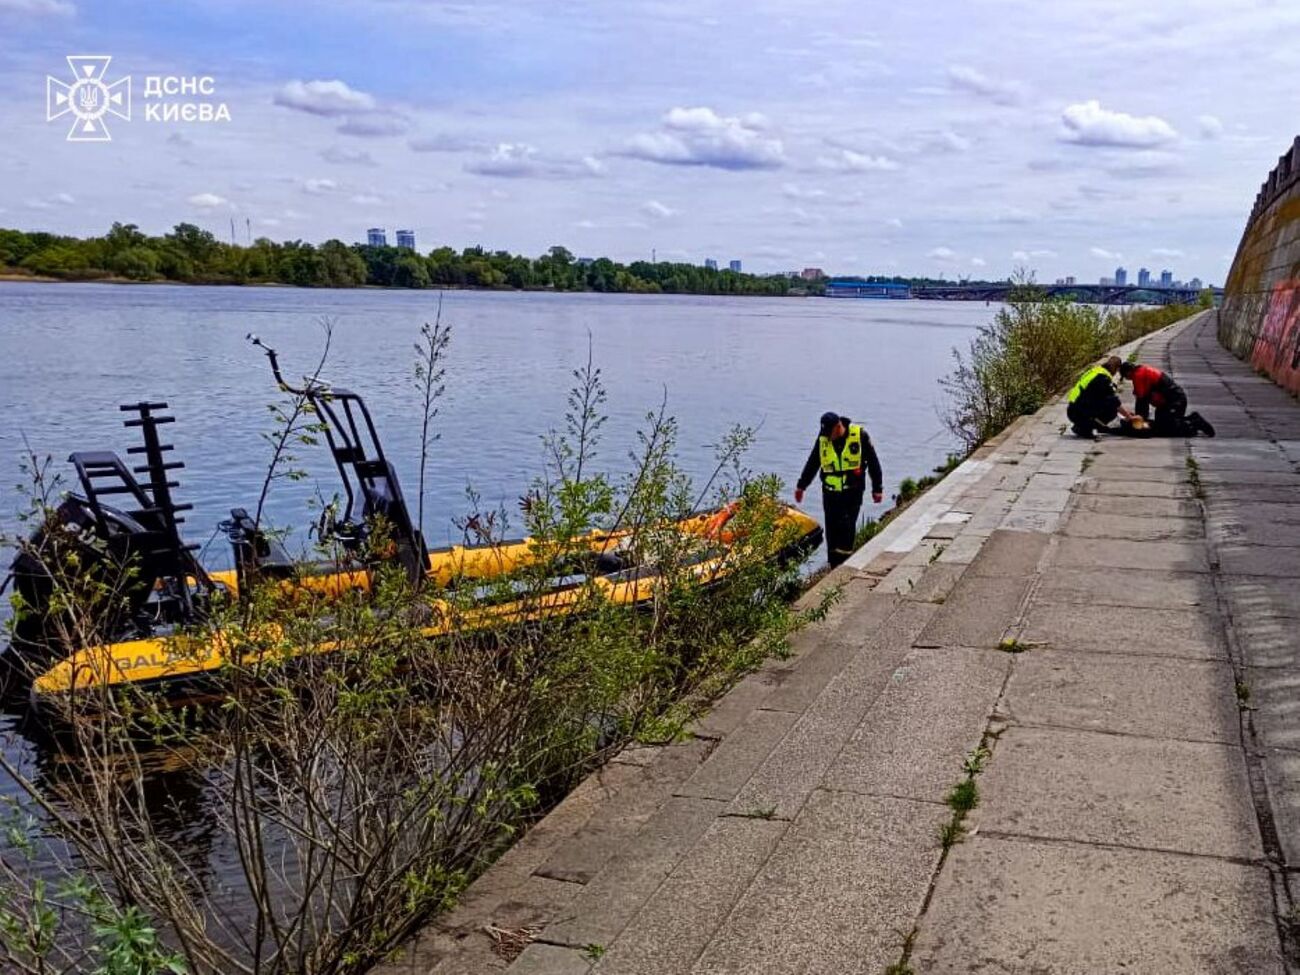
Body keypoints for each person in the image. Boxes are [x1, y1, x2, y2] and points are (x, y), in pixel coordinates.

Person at [794, 412, 884, 567]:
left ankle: (843, 564)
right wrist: (801, 486)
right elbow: (813, 462)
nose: (828, 437)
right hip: (830, 494)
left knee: (847, 528)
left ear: (838, 426)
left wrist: (877, 488)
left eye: (830, 433)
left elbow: (874, 463)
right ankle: (833, 564)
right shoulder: (823, 439)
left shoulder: (859, 435)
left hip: (852, 492)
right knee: (832, 531)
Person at [1118, 361, 1215, 437]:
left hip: (1175, 401)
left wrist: (1140, 418)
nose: (1127, 379)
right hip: (1168, 402)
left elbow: (1142, 401)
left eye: (1126, 376)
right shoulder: (1142, 371)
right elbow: (1143, 399)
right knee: (1159, 426)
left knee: (1167, 430)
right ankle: (1189, 421)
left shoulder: (1138, 376)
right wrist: (1141, 417)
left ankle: (1195, 423)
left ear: (1128, 372)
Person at [1066, 356, 1135, 439]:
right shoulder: (1103, 378)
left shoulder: (1096, 371)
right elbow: (1114, 401)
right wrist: (1128, 416)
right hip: (1079, 412)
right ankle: (1085, 428)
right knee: (1111, 410)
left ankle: (1082, 426)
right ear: (1116, 368)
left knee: (1106, 403)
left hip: (1073, 409)